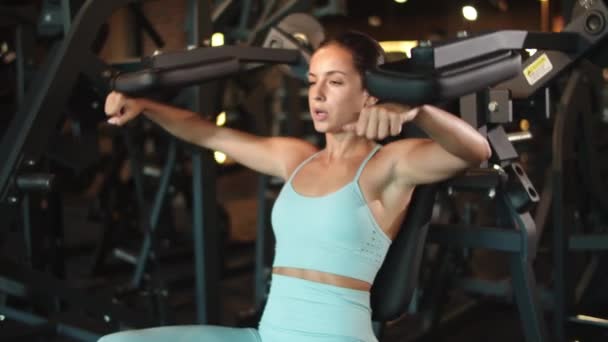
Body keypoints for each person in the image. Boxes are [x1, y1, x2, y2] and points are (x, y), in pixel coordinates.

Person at [99, 31, 491, 342]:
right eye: (313, 81)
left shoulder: (388, 164)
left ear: (369, 91)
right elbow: (210, 135)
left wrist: (416, 108)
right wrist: (147, 106)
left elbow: (475, 151)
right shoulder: (297, 158)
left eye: (335, 82)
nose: (317, 95)